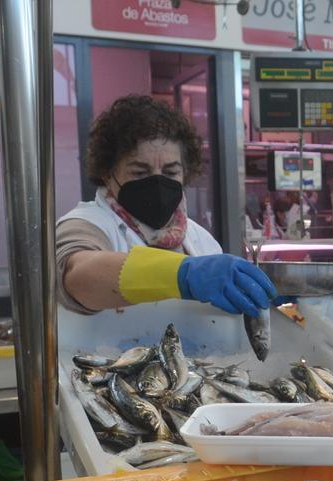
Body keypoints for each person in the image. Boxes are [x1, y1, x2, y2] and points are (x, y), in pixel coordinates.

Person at [56, 95, 276, 316]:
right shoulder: (86, 223)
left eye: (171, 172)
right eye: (140, 172)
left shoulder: (199, 239)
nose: (157, 182)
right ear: (107, 174)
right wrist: (182, 275)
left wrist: (260, 295)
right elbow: (76, 274)